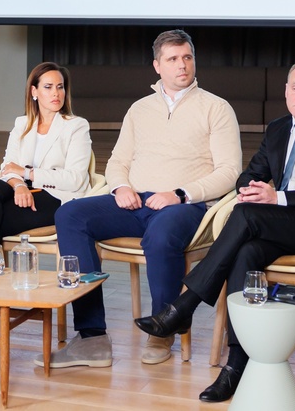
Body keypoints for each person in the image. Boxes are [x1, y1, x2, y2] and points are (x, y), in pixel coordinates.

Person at [135, 59, 295, 401]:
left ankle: (186, 304)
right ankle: (236, 364)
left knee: (245, 216)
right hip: (283, 225)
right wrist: (253, 189)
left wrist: (278, 197)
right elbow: (248, 175)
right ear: (285, 90)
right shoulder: (278, 129)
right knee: (246, 252)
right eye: (294, 88)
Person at [42, 29, 242, 369]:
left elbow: (230, 171)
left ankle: (163, 329)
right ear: (157, 66)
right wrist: (120, 187)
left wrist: (179, 194)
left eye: (187, 57)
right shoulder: (139, 109)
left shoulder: (216, 108)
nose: (182, 65)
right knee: (70, 215)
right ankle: (92, 337)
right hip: (135, 201)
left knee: (161, 235)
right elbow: (118, 161)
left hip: (186, 206)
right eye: (173, 59)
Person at [0, 61, 93, 336]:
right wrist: (19, 185)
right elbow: (7, 167)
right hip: (23, 192)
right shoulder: (22, 124)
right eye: (48, 87)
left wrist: (28, 174)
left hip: (56, 197)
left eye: (60, 87)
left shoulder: (76, 126)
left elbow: (74, 179)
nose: (56, 93)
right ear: (34, 92)